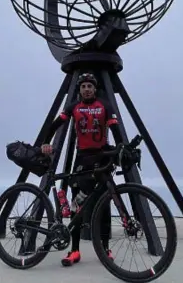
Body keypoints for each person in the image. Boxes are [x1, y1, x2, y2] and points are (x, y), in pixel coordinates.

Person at [41, 73, 122, 266]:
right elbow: (55, 124)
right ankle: (75, 251)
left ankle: (105, 248)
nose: (86, 89)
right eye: (83, 86)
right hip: (82, 158)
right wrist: (45, 142)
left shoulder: (104, 106)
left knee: (104, 204)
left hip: (101, 157)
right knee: (77, 205)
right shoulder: (74, 107)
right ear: (80, 89)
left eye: (90, 86)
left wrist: (121, 148)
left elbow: (116, 130)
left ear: (95, 89)